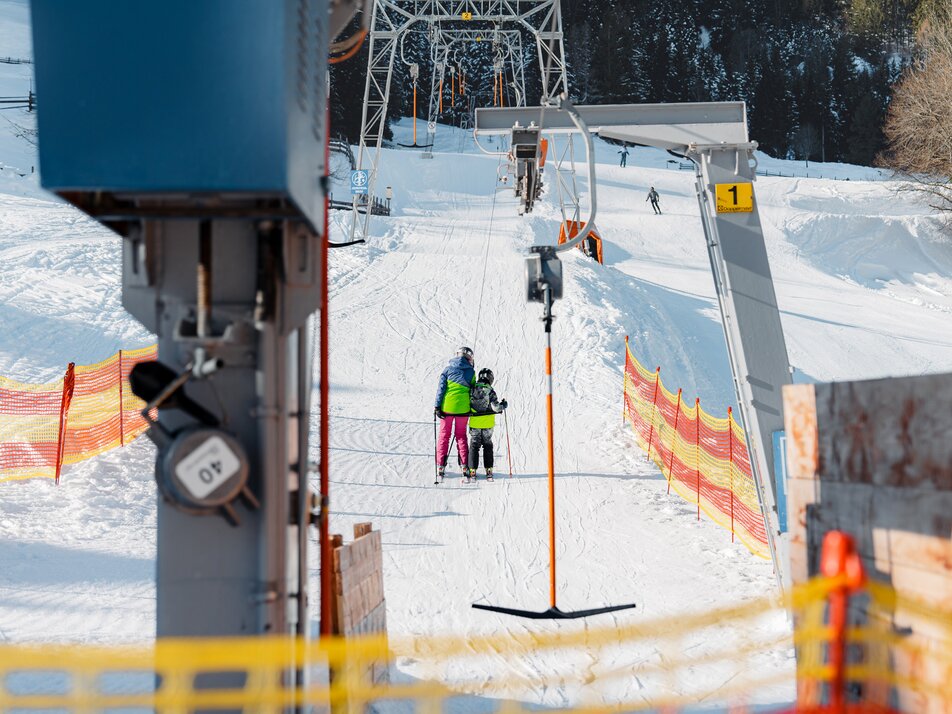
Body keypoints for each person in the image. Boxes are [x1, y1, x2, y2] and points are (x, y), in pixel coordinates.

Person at [434, 346, 476, 481]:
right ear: (469, 358)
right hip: (463, 409)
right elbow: (472, 392)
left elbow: (441, 389)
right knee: (461, 436)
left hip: (447, 408)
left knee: (444, 435)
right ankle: (464, 465)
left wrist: (437, 406)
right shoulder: (471, 372)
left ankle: (440, 465)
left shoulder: (447, 370)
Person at [467, 368, 507, 482]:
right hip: (488, 423)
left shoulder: (472, 389)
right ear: (490, 379)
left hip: (475, 422)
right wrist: (503, 405)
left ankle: (472, 470)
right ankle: (488, 469)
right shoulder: (490, 391)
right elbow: (496, 407)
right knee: (487, 445)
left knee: (474, 445)